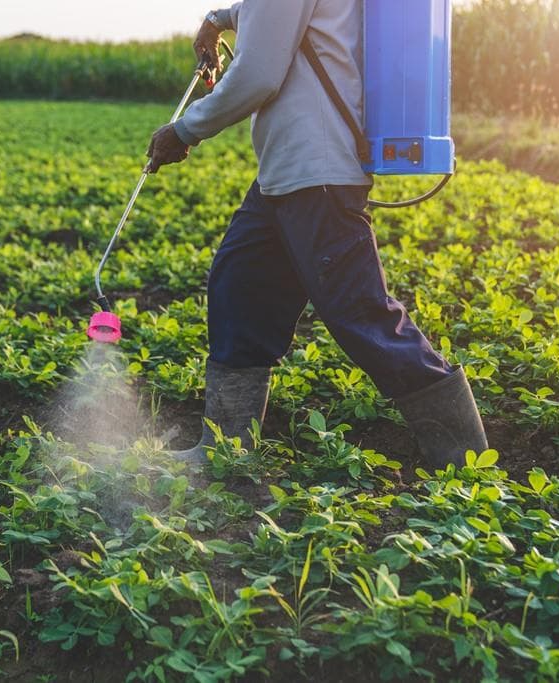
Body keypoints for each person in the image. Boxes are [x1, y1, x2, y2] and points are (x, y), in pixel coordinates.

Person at [147, 0, 487, 467]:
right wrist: (218, 20)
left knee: (361, 314)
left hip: (316, 172)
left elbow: (259, 73)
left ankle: (465, 456)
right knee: (239, 292)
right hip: (285, 174)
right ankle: (225, 450)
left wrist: (185, 130)